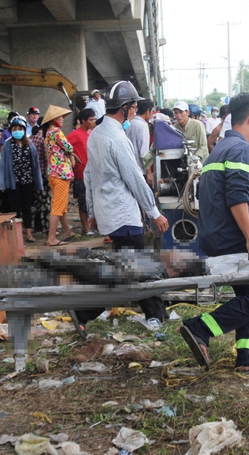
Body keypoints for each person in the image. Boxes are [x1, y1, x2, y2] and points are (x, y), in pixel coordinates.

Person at [179, 92, 249, 374]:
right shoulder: (241, 150)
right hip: (235, 239)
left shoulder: (218, 150)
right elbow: (237, 197)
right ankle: (200, 328)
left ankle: (248, 356)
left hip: (216, 237)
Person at [78, 80, 169, 337]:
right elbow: (135, 178)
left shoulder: (95, 134)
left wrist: (93, 212)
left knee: (125, 269)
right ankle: (156, 316)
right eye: (134, 107)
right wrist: (154, 212)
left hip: (110, 213)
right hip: (124, 215)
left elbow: (88, 176)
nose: (135, 112)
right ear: (127, 108)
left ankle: (155, 314)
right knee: (137, 269)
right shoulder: (117, 138)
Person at [0, 116, 43, 243]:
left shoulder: (30, 143)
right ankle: (16, 236)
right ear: (11, 130)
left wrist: (38, 182)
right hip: (13, 183)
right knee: (14, 209)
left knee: (27, 208)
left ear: (24, 130)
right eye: (15, 129)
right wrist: (2, 184)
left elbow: (35, 164)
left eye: (20, 129)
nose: (17, 131)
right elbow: (3, 165)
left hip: (28, 181)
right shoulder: (8, 144)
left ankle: (29, 234)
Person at [43, 105, 77, 246]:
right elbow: (68, 147)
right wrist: (72, 155)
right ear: (53, 119)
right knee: (58, 206)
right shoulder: (56, 131)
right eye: (60, 116)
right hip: (61, 173)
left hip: (53, 172)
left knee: (61, 205)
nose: (62, 119)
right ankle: (52, 238)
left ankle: (67, 230)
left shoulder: (48, 132)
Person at [67, 108, 97, 236]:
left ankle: (93, 225)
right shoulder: (75, 135)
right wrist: (73, 157)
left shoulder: (91, 133)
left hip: (93, 172)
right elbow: (64, 147)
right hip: (80, 173)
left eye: (94, 119)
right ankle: (85, 228)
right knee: (83, 201)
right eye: (91, 120)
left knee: (93, 200)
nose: (93, 122)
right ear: (83, 121)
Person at [30, 119, 50, 234]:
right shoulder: (43, 139)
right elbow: (47, 158)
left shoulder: (31, 138)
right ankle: (46, 227)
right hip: (43, 174)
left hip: (32, 175)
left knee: (36, 201)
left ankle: (36, 225)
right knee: (46, 201)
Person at [126, 99, 154, 178]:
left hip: (129, 169)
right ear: (147, 111)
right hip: (140, 171)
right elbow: (144, 153)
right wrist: (149, 173)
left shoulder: (129, 123)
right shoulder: (143, 126)